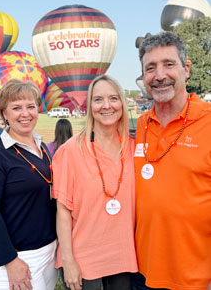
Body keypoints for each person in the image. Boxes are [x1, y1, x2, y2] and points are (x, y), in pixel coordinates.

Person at [133, 31, 211, 290]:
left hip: (196, 279)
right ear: (143, 76)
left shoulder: (208, 122)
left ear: (186, 69)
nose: (159, 75)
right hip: (142, 273)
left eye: (169, 64)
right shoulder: (142, 124)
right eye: (150, 68)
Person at [52, 74, 138, 290]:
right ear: (89, 106)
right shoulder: (70, 151)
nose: (106, 106)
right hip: (83, 257)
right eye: (98, 99)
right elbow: (62, 212)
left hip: (123, 255)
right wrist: (69, 261)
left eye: (113, 98)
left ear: (122, 103)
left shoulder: (134, 148)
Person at [0, 79, 58, 290]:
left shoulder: (43, 148)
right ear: (4, 113)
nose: (25, 113)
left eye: (31, 106)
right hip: (13, 260)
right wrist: (10, 261)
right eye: (16, 108)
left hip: (46, 253)